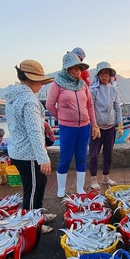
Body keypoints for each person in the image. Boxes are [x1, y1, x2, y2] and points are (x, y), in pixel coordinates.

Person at [6, 60, 57, 233]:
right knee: (33, 189)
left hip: (17, 150)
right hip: (28, 154)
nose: (41, 85)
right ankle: (32, 224)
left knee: (39, 183)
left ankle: (38, 214)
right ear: (31, 79)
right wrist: (43, 158)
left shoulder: (13, 96)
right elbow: (34, 132)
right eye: (40, 81)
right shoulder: (29, 101)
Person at [46, 52, 100, 197]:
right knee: (65, 157)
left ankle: (80, 188)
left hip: (84, 127)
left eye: (79, 69)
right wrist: (61, 118)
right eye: (74, 68)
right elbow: (50, 105)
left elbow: (90, 105)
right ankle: (61, 188)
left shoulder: (83, 85)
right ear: (66, 69)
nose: (77, 72)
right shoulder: (57, 84)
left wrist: (94, 125)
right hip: (67, 128)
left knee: (82, 157)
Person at [88, 61, 123, 189]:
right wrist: (94, 125)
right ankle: (93, 179)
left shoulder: (114, 89)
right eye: (101, 73)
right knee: (94, 154)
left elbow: (117, 107)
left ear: (110, 75)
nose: (104, 76)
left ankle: (105, 177)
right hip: (97, 128)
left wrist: (120, 123)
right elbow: (90, 108)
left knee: (108, 153)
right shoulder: (93, 90)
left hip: (110, 127)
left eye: (106, 73)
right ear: (98, 75)